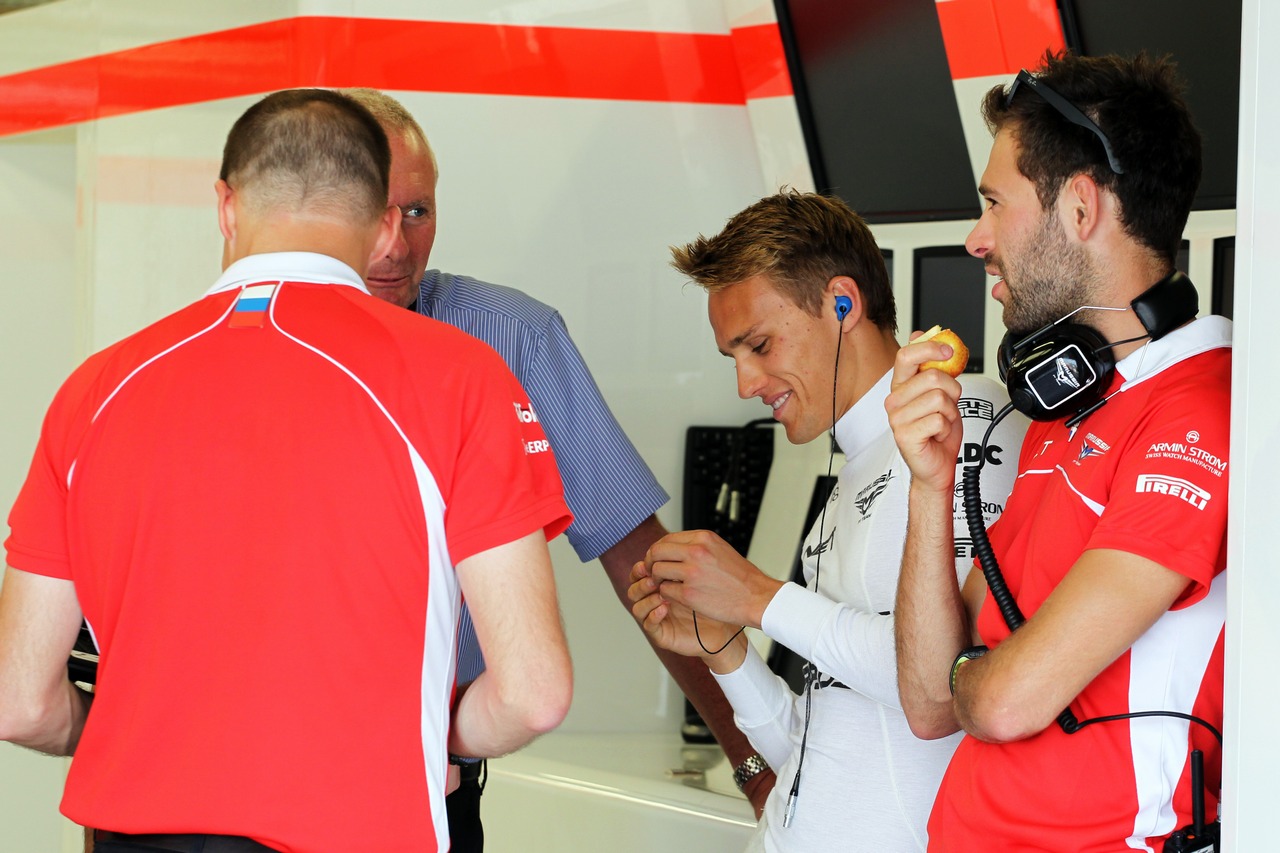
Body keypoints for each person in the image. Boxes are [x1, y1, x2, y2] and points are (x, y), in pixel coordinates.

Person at [0, 88, 573, 853]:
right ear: (378, 228)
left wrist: (135, 738)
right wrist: (435, 737)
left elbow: (17, 699)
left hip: (132, 832)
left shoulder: (96, 389)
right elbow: (535, 693)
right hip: (362, 829)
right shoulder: (461, 377)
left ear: (226, 207)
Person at [339, 88, 775, 847]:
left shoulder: (513, 341)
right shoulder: (242, 348)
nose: (397, 246)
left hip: (439, 784)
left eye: (418, 212)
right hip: (264, 780)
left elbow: (640, 558)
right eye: (374, 211)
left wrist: (750, 760)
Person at [885, 52, 1229, 852]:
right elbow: (933, 704)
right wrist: (930, 486)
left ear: (1079, 207)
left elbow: (1003, 699)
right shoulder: (1065, 407)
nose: (976, 240)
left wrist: (973, 672)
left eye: (994, 204)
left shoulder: (1199, 409)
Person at [628, 190, 1025, 851]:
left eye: (759, 344)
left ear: (843, 303)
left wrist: (759, 597)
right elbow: (814, 755)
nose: (746, 383)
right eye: (734, 357)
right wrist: (727, 650)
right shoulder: (845, 485)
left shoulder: (965, 418)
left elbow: (951, 681)